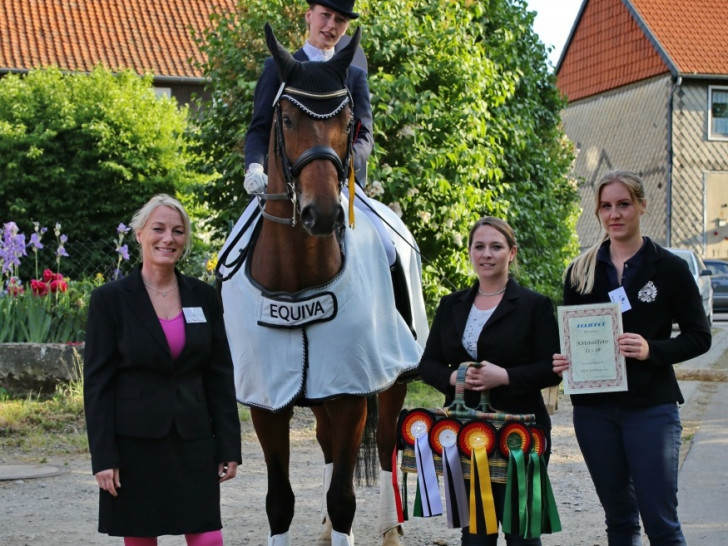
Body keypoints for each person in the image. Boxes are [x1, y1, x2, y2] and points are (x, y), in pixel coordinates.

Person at [552, 170, 711, 546]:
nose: (615, 214)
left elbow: (700, 336)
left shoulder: (670, 268)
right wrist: (563, 360)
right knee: (620, 522)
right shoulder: (580, 271)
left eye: (623, 204)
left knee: (661, 524)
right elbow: (571, 335)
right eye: (606, 206)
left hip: (651, 409)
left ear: (642, 205)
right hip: (594, 413)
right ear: (597, 213)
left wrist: (651, 350)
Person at [83, 194, 242, 546]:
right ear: (140, 234)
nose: (168, 238)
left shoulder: (204, 296)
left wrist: (229, 445)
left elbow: (219, 374)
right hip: (133, 445)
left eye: (178, 231)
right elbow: (97, 385)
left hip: (193, 439)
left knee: (208, 539)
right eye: (158, 229)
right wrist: (103, 457)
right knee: (141, 538)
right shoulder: (109, 300)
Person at [419, 216, 562, 545]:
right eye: (479, 246)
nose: (486, 254)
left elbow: (551, 367)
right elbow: (428, 364)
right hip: (466, 435)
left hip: (521, 433)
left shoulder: (534, 305)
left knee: (521, 534)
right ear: (470, 252)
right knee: (476, 536)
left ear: (511, 253)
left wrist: (505, 376)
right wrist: (453, 377)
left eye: (496, 247)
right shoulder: (451, 305)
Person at [243, 0, 397, 267]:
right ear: (309, 15)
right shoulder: (278, 68)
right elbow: (259, 128)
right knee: (231, 252)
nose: (331, 26)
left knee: (387, 246)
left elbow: (365, 136)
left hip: (339, 184)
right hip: (282, 186)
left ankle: (398, 308)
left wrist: (338, 165)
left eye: (340, 20)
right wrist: (255, 168)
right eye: (325, 16)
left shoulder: (354, 76)